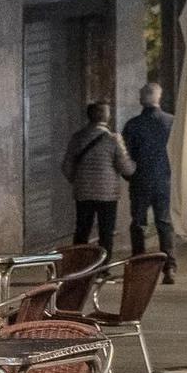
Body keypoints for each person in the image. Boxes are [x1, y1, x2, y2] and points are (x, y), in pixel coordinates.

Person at [63, 102, 134, 258]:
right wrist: (135, 168)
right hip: (107, 194)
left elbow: (67, 167)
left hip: (83, 193)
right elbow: (126, 168)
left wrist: (78, 181)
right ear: (106, 116)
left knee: (82, 230)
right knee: (106, 233)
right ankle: (102, 268)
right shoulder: (114, 139)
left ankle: (77, 265)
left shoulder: (77, 138)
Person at [121, 82, 175, 280]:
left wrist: (129, 175)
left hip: (139, 180)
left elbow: (124, 155)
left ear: (141, 99)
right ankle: (169, 266)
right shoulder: (171, 122)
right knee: (164, 223)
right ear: (159, 98)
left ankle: (139, 264)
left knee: (138, 223)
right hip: (164, 179)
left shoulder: (132, 124)